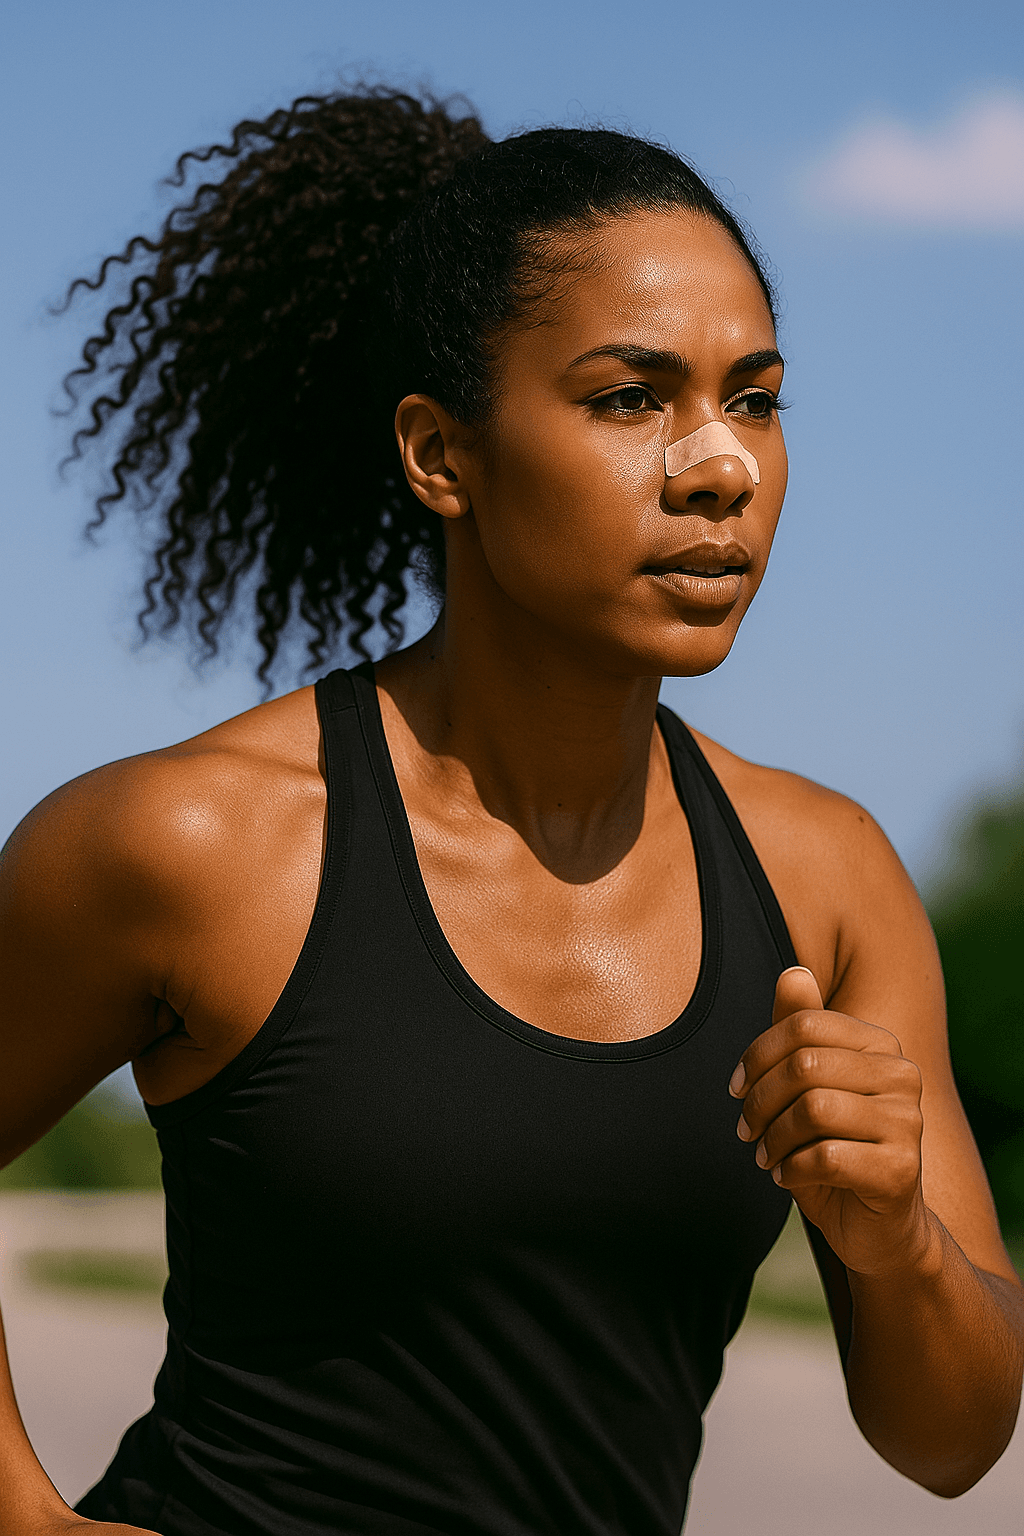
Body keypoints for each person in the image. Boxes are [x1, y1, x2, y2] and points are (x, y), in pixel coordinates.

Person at [0, 84, 1021, 1536]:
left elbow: (955, 1447)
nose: (721, 463)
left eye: (755, 398)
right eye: (629, 398)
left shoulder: (826, 878)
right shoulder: (192, 846)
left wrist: (897, 1238)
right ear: (441, 456)